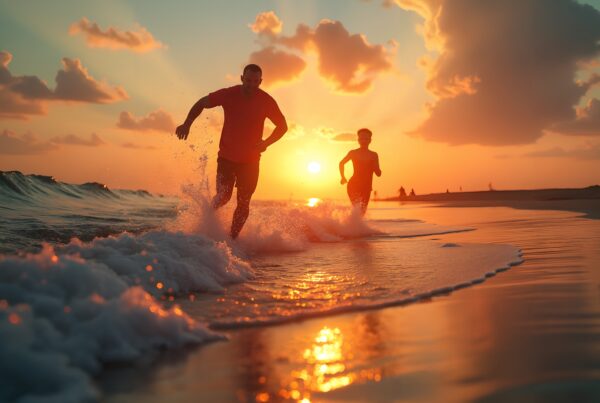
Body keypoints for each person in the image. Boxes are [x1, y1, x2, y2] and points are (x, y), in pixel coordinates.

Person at [175, 64, 287, 238]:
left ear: (260, 82)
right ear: (242, 78)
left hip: (250, 161)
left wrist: (266, 143)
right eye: (248, 80)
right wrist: (187, 123)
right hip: (226, 158)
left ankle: (232, 239)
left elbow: (282, 126)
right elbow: (202, 103)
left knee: (243, 202)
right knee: (224, 196)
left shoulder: (266, 101)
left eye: (255, 81)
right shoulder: (229, 94)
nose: (251, 85)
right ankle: (205, 224)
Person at [339, 128, 382, 215]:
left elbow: (378, 174)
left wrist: (373, 164)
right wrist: (343, 177)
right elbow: (341, 163)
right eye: (361, 138)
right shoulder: (353, 153)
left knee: (362, 212)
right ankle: (351, 227)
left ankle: (353, 227)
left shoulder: (373, 155)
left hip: (366, 187)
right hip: (353, 185)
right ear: (358, 140)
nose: (364, 140)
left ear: (370, 140)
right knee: (358, 209)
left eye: (366, 138)